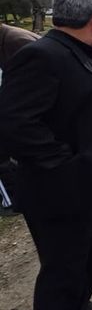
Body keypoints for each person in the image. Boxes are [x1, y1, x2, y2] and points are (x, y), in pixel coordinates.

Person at [0, 0, 92, 310]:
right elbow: (14, 122)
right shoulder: (41, 54)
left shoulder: (78, 49)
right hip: (62, 186)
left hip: (89, 179)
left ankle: (79, 302)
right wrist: (68, 163)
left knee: (90, 254)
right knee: (63, 267)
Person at [0, 23, 39, 216]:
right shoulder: (10, 39)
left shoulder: (16, 41)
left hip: (32, 116)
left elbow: (35, 83)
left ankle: (16, 200)